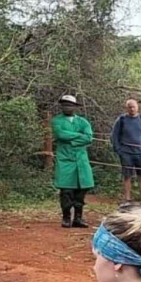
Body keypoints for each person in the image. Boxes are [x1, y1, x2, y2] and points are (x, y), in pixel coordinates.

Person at [52, 94, 95, 229]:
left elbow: (88, 138)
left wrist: (70, 140)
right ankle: (66, 217)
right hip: (65, 159)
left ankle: (78, 218)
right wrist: (78, 137)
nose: (67, 107)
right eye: (64, 104)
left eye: (70, 105)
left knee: (82, 189)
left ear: (75, 107)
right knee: (66, 190)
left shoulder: (83, 122)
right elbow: (60, 134)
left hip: (81, 160)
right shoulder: (56, 121)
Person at [111, 99, 141, 204]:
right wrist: (118, 150)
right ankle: (127, 199)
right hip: (126, 153)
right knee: (127, 176)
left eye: (133, 106)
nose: (132, 109)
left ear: (137, 107)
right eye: (129, 107)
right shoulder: (121, 120)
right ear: (126, 108)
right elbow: (114, 136)